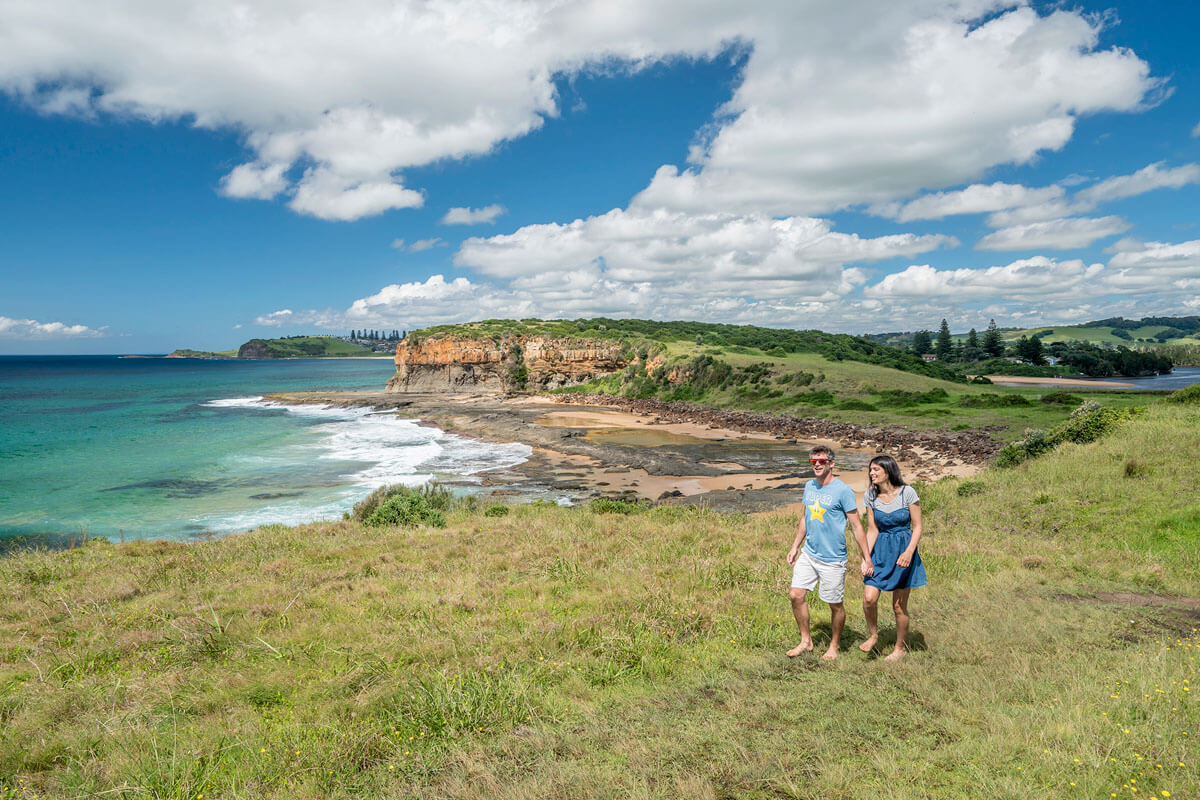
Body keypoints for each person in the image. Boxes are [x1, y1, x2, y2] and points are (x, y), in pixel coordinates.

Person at [786, 445, 872, 660]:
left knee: (835, 604)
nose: (816, 465)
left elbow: (856, 526)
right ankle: (805, 640)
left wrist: (866, 558)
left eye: (821, 461)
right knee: (796, 595)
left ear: (831, 464)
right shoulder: (809, 487)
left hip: (833, 559)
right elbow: (805, 519)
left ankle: (834, 645)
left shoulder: (843, 491)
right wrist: (795, 546)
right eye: (813, 461)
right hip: (809, 553)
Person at [858, 455, 926, 661]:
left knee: (898, 606)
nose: (872, 473)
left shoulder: (907, 493)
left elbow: (917, 527)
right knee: (869, 598)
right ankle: (873, 635)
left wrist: (908, 552)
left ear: (889, 470)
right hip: (881, 551)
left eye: (876, 469)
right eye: (870, 470)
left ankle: (899, 648)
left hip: (904, 552)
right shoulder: (870, 495)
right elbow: (872, 530)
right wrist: (866, 558)